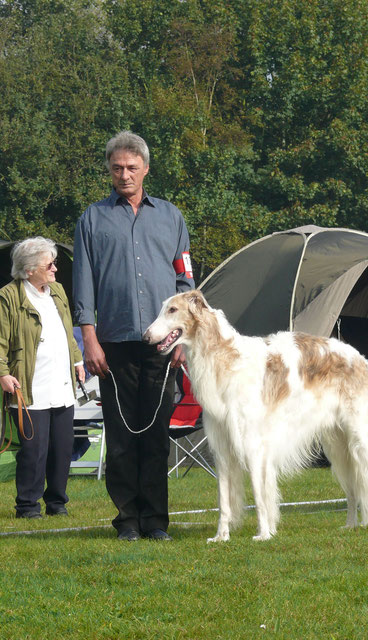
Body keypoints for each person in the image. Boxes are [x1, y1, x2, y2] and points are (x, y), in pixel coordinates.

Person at [73, 130, 194, 541]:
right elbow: (83, 282)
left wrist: (182, 338)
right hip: (114, 343)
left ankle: (156, 521)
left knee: (157, 434)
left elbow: (185, 281)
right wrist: (88, 338)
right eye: (117, 168)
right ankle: (127, 520)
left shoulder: (171, 217)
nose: (124, 174)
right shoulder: (92, 218)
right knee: (122, 436)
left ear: (145, 168)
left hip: (163, 344)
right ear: (108, 170)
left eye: (131, 167)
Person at [0, 237, 85, 518]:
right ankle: (27, 505)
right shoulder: (8, 296)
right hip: (29, 385)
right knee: (34, 450)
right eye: (49, 264)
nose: (55, 270)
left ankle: (57, 502)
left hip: (60, 383)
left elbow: (66, 329)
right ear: (29, 270)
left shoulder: (57, 291)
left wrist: (77, 359)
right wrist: (3, 373)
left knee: (62, 448)